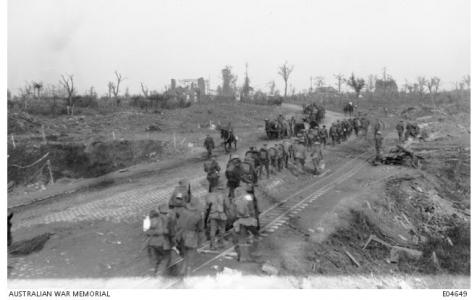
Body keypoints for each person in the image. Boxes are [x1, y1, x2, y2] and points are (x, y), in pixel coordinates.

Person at [175, 197, 205, 276]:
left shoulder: (183, 211)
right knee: (190, 255)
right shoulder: (198, 215)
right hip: (190, 236)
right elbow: (200, 228)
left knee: (185, 254)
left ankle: (182, 270)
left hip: (181, 235)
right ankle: (188, 274)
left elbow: (178, 223)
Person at [145, 203, 175, 276]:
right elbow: (171, 232)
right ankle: (160, 273)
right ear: (166, 211)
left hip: (151, 242)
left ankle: (156, 271)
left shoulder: (152, 218)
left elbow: (147, 231)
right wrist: (173, 242)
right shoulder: (168, 219)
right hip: (162, 242)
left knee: (158, 258)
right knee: (166, 257)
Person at [233, 193, 258, 262]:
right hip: (248, 221)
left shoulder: (235, 201)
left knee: (241, 241)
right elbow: (252, 210)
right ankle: (248, 256)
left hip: (240, 221)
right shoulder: (247, 200)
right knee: (250, 239)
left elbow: (234, 212)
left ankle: (242, 257)